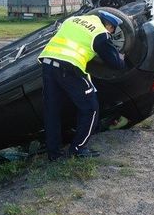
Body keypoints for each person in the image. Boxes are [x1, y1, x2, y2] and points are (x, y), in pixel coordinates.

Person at [38, 10, 126, 161]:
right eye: (112, 30)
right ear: (108, 25)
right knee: (90, 108)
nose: (111, 33)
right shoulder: (100, 33)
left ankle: (54, 154)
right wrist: (122, 57)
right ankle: (78, 148)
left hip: (48, 64)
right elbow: (116, 63)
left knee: (52, 111)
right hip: (69, 69)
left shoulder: (73, 20)